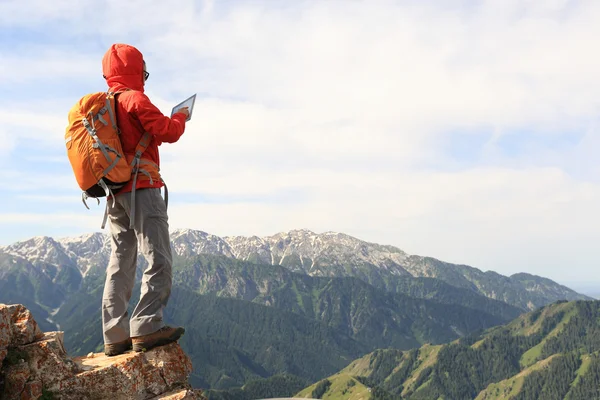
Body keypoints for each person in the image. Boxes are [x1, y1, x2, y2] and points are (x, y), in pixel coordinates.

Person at [101, 43, 189, 356]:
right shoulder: (134, 99)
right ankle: (147, 326)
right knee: (158, 256)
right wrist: (180, 116)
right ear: (136, 71)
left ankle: (114, 335)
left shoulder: (104, 105)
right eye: (143, 72)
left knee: (121, 260)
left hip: (114, 193)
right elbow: (167, 131)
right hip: (142, 187)